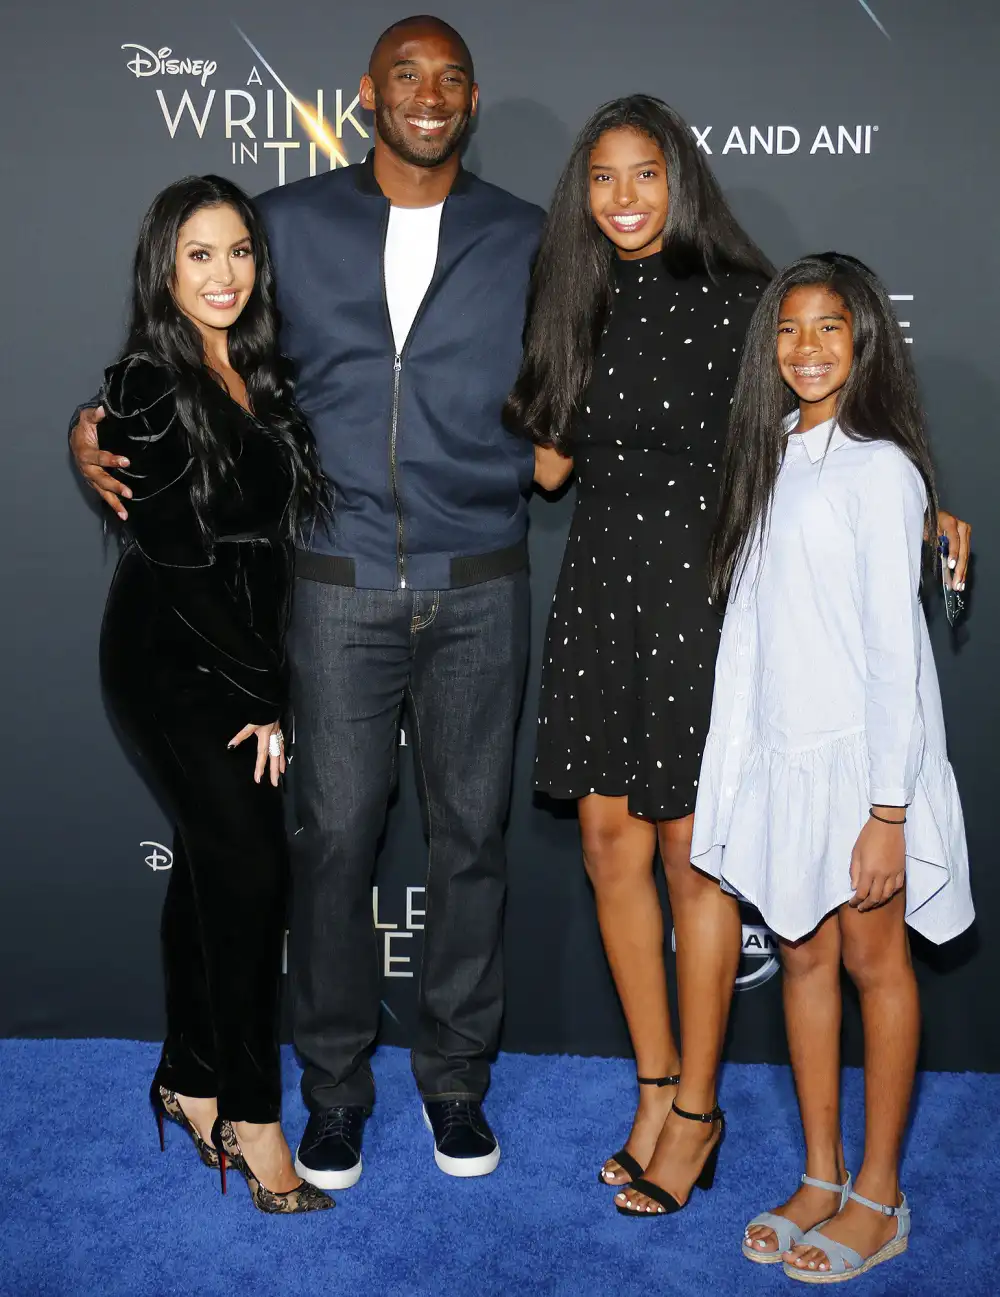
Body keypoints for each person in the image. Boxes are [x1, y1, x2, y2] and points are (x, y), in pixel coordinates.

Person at [71, 16, 544, 1187]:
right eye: (403, 76)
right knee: (329, 847)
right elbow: (181, 353)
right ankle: (330, 1092)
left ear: (471, 99)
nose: (425, 96)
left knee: (470, 845)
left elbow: (598, 381)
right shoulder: (282, 221)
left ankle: (455, 1085)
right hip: (329, 592)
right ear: (367, 94)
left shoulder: (529, 236)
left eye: (447, 80)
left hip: (479, 581)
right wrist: (87, 426)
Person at [505, 96, 971, 1218]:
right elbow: (548, 472)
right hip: (599, 587)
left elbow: (831, 419)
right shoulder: (575, 294)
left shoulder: (738, 302)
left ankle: (702, 1109)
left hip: (702, 588)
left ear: (683, 181)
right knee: (608, 843)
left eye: (645, 175)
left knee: (689, 853)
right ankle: (656, 1088)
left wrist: (926, 510)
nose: (624, 199)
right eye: (603, 179)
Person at [694, 252, 973, 1279]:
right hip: (779, 762)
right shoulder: (762, 450)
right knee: (803, 961)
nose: (805, 349)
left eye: (829, 329)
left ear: (863, 343)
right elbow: (755, 634)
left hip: (862, 772)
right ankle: (819, 1175)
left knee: (872, 964)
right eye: (788, 329)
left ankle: (879, 1194)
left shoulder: (882, 468)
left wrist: (887, 811)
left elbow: (895, 653)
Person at [97, 175, 332, 1213]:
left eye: (239, 251)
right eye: (200, 253)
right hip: (171, 654)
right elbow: (181, 561)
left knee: (212, 863)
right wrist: (268, 691)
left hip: (242, 648)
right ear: (163, 265)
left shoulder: (256, 374)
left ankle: (189, 1078)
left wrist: (265, 670)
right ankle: (253, 1113)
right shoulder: (146, 385)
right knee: (247, 874)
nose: (225, 273)